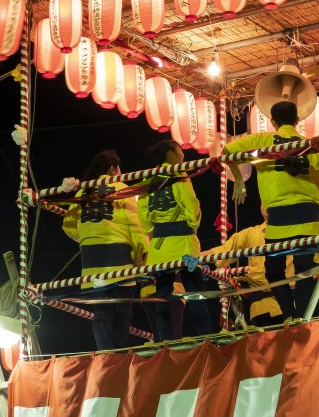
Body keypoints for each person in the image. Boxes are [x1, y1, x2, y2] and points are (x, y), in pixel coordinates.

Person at [225, 99, 319, 320]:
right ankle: (303, 317)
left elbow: (227, 150)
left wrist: (240, 181)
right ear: (297, 120)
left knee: (273, 270)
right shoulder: (311, 145)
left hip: (277, 221)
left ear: (272, 121)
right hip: (309, 218)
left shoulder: (262, 140)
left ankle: (290, 315)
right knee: (305, 272)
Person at [61, 149, 148, 351]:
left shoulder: (84, 191)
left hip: (91, 260)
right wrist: (141, 255)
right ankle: (116, 356)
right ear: (112, 168)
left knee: (101, 314)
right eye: (119, 168)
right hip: (118, 256)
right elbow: (136, 226)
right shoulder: (121, 188)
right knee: (122, 313)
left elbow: (69, 225)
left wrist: (86, 236)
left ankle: (105, 353)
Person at [137, 139, 212, 341]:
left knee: (162, 293)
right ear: (171, 153)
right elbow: (190, 202)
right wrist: (192, 224)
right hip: (183, 240)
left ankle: (165, 340)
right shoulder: (178, 172)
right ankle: (205, 336)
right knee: (194, 289)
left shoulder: (147, 177)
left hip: (159, 245)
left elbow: (142, 212)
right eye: (180, 149)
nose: (183, 153)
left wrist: (152, 230)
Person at [202, 210, 292, 327]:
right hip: (263, 306)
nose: (268, 207)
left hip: (292, 300)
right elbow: (222, 251)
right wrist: (193, 258)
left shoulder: (292, 229)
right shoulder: (250, 233)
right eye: (264, 202)